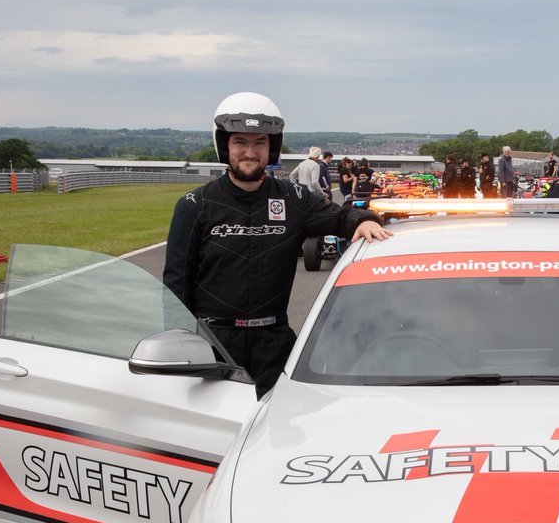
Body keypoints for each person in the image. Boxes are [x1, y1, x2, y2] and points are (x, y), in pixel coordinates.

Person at [164, 92, 391, 398]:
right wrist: (178, 351)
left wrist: (365, 221)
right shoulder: (195, 205)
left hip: (274, 346)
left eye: (260, 142)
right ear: (224, 146)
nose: (250, 151)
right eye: (240, 142)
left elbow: (342, 218)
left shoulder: (293, 198)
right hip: (213, 347)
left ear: (272, 147)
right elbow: (175, 287)